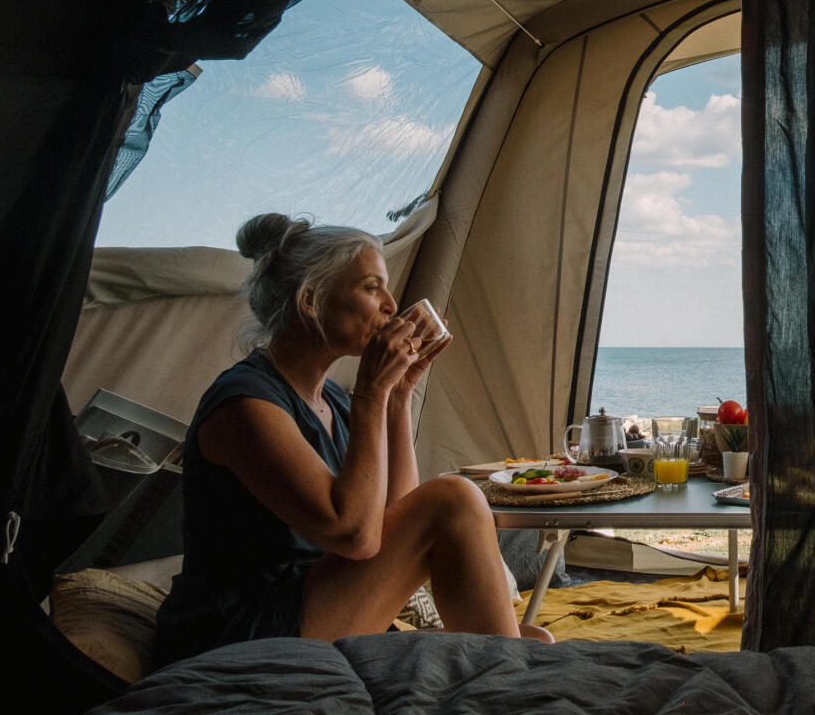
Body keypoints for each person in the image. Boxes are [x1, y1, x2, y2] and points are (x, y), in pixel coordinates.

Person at [155, 214, 547, 665]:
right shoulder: (245, 406)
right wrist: (371, 394)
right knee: (455, 499)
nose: (391, 304)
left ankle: (506, 664)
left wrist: (398, 396)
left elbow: (395, 519)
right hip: (239, 627)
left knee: (532, 637)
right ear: (310, 300)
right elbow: (356, 537)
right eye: (371, 287)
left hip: (311, 601)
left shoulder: (336, 404)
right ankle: (509, 679)